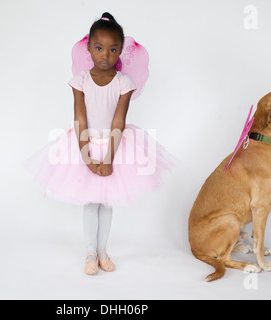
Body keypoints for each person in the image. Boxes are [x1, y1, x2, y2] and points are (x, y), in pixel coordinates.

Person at [25, 12, 175, 275]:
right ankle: (90, 253)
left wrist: (108, 159)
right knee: (90, 202)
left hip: (115, 147)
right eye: (99, 48)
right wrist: (86, 155)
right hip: (85, 144)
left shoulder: (124, 83)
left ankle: (103, 251)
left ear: (120, 51)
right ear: (89, 48)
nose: (105, 55)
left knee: (107, 202)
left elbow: (119, 121)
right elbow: (80, 119)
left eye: (112, 49)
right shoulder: (80, 81)